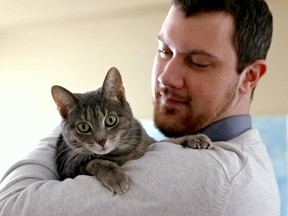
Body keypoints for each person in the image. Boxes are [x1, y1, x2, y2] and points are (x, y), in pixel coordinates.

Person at [0, 0, 280, 215]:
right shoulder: (246, 159)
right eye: (164, 51)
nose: (166, 77)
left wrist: (71, 122)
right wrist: (75, 115)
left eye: (198, 62)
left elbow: (8, 205)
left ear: (251, 77)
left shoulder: (211, 177)